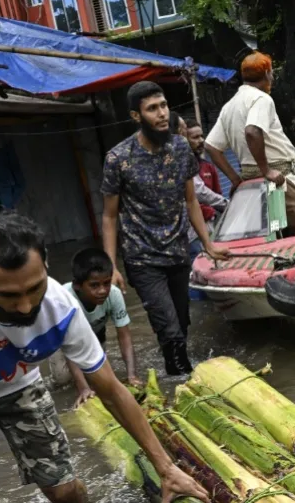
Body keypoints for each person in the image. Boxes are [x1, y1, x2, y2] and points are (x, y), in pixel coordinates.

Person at [0, 213, 209, 503]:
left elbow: (111, 391)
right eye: (8, 294)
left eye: (33, 288)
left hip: (15, 384)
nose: (25, 306)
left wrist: (165, 468)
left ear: (46, 266)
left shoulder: (61, 309)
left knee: (64, 491)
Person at [101, 81, 228, 376]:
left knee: (182, 324)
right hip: (142, 258)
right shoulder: (118, 159)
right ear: (136, 116)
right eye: (152, 109)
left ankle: (177, 376)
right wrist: (111, 266)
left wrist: (208, 244)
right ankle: (186, 382)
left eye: (163, 106)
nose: (161, 114)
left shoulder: (180, 147)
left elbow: (191, 199)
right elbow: (109, 216)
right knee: (169, 330)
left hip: (178, 250)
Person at [205, 52, 295, 235]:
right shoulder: (261, 99)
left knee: (274, 237)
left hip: (251, 184)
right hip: (279, 178)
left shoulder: (230, 106)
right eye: (272, 72)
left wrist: (235, 179)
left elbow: (211, 146)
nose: (273, 77)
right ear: (267, 73)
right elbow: (252, 131)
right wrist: (266, 170)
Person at [63, 248, 139, 408]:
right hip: (61, 341)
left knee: (97, 376)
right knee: (62, 381)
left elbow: (124, 336)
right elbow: (70, 350)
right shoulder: (65, 301)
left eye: (106, 283)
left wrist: (132, 376)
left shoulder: (115, 295)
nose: (102, 290)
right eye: (94, 285)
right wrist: (83, 389)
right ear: (77, 285)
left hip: (96, 334)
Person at [184, 118, 228, 224]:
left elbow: (217, 196)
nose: (201, 141)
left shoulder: (208, 166)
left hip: (211, 222)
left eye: (202, 136)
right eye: (195, 137)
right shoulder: (180, 167)